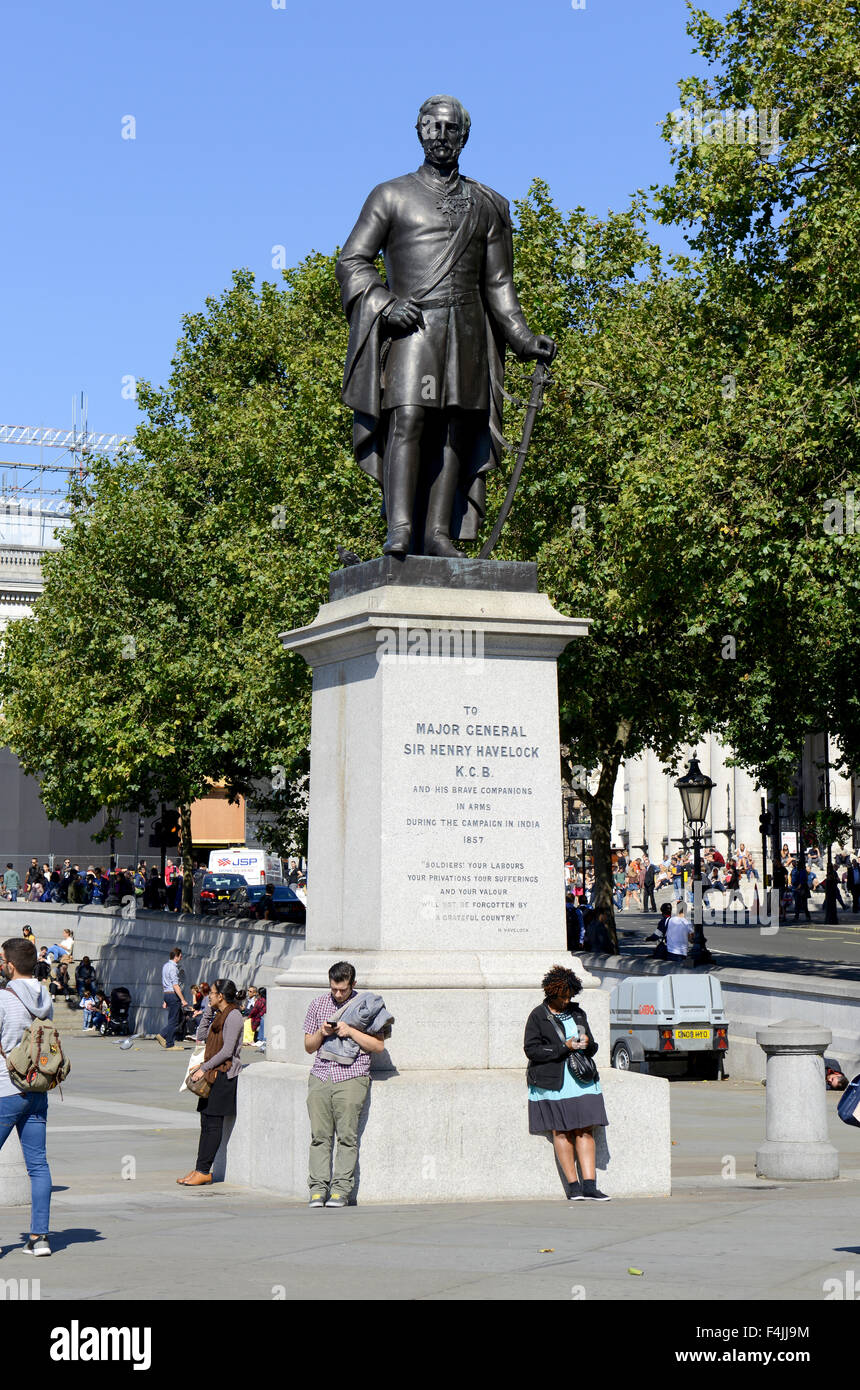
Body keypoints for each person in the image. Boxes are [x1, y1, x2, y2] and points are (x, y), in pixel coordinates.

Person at [336, 94, 556, 558]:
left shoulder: (489, 204)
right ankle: (399, 528)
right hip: (414, 327)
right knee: (410, 417)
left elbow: (498, 284)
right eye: (432, 127)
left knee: (457, 426)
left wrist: (520, 336)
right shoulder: (389, 195)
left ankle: (438, 534)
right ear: (418, 130)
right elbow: (353, 260)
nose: (440, 135)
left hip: (469, 331)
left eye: (450, 128)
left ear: (464, 136)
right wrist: (383, 303)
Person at [303, 961, 387, 1208]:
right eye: (334, 989)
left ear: (353, 984)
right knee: (319, 1136)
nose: (338, 994)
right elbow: (308, 1046)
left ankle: (341, 1189)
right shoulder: (318, 1004)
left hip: (352, 1076)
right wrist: (322, 1033)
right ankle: (318, 1189)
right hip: (320, 1074)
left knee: (347, 1137)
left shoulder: (367, 1005)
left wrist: (350, 1031)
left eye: (343, 990)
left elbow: (378, 1046)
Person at [524, 964, 610, 1202]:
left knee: (585, 1129)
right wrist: (565, 1047)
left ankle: (590, 1186)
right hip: (553, 1081)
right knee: (561, 1131)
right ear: (551, 993)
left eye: (569, 996)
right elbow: (531, 1050)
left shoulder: (578, 1013)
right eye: (562, 997)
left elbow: (592, 1047)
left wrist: (586, 1042)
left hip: (581, 1080)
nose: (566, 1000)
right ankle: (574, 1187)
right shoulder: (538, 1016)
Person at [0, 936, 55, 1255]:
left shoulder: (5, 998)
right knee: (38, 1164)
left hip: (6, 1089)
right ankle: (39, 1238)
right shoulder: (43, 995)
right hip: (37, 1089)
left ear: (10, 965)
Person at [177, 978, 245, 1187]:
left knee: (214, 1124)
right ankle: (199, 1168)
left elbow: (227, 1051)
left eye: (212, 993)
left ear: (221, 996)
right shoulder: (218, 1014)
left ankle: (204, 1170)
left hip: (223, 1074)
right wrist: (208, 1010)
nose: (209, 996)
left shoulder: (233, 1016)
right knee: (205, 1122)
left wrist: (203, 1068)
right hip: (212, 1072)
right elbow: (201, 1035)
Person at [157, 947, 189, 1049]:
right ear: (176, 956)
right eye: (180, 956)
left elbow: (164, 983)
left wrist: (165, 1000)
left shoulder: (165, 966)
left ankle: (169, 1041)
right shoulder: (173, 968)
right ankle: (165, 1038)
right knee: (174, 1021)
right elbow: (175, 985)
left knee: (172, 1019)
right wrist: (183, 999)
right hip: (173, 994)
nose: (181, 957)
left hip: (167, 994)